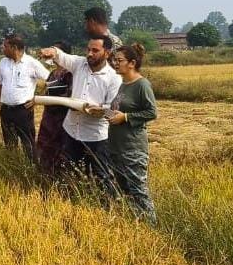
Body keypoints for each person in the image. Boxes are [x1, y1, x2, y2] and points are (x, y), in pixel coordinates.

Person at [38, 35, 121, 194]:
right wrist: (52, 51)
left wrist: (100, 110)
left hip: (95, 136)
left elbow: (112, 110)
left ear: (107, 53)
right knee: (68, 173)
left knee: (101, 176)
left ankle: (106, 204)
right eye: (88, 49)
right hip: (71, 131)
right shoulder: (79, 64)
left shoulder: (114, 78)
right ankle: (70, 202)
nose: (89, 54)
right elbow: (61, 56)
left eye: (95, 50)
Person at [106, 43, 158, 221]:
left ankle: (151, 227)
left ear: (132, 63)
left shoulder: (142, 85)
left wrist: (126, 117)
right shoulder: (123, 84)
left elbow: (152, 112)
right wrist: (102, 112)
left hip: (132, 148)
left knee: (139, 191)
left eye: (119, 60)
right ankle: (136, 223)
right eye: (114, 60)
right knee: (125, 190)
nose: (115, 63)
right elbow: (117, 111)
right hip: (116, 146)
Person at [0, 34, 50, 160]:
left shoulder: (32, 63)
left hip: (23, 110)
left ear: (14, 47)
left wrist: (38, 99)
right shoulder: (3, 62)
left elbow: (50, 80)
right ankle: (14, 167)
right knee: (10, 144)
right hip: (6, 110)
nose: (3, 49)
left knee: (28, 144)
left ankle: (33, 168)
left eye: (5, 46)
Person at [36, 41, 74, 176]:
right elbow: (46, 91)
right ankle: (46, 177)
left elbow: (71, 96)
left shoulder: (70, 73)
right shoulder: (52, 73)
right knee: (45, 148)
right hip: (49, 118)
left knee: (61, 149)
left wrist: (53, 99)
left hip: (62, 118)